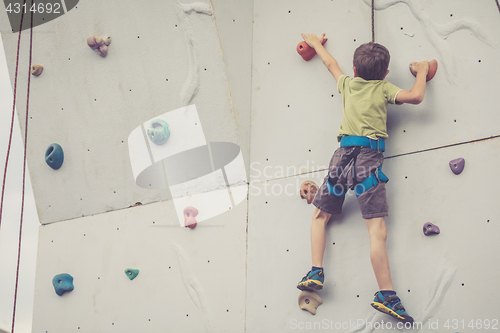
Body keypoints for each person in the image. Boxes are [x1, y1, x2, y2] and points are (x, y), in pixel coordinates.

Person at [296, 33, 429, 324]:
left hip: (341, 158)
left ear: (355, 70)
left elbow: (330, 63)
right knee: (376, 231)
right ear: (385, 73)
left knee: (320, 216)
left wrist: (316, 43)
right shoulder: (383, 88)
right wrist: (420, 72)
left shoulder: (348, 83)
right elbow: (416, 97)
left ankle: (316, 269)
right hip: (369, 161)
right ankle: (386, 294)